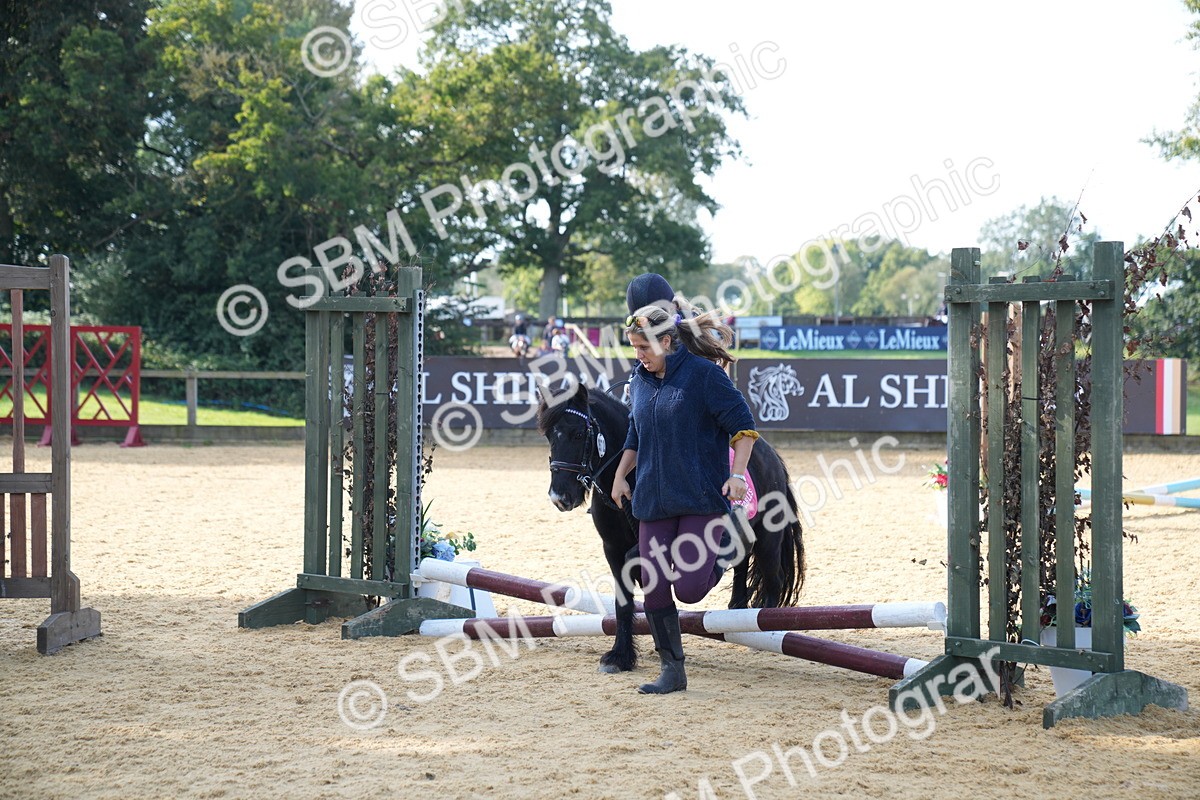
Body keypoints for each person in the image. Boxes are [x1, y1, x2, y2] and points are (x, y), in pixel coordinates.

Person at [610, 303, 758, 694]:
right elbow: (635, 434)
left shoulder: (705, 376)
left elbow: (743, 427)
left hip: (700, 498)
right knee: (654, 584)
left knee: (689, 589)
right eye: (634, 347)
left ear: (666, 342)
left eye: (644, 347)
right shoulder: (640, 380)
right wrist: (621, 476)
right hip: (653, 501)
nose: (638, 355)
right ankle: (672, 670)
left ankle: (732, 540)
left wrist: (737, 475)